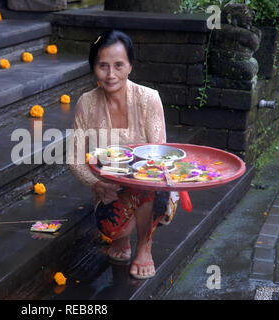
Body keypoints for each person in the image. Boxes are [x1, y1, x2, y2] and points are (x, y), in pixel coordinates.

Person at [68, 30, 175, 280]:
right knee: (110, 227)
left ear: (130, 66)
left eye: (118, 65)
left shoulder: (149, 99)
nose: (111, 74)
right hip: (110, 186)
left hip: (151, 182)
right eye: (102, 66)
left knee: (149, 190)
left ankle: (144, 247)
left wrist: (140, 179)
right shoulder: (87, 103)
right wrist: (96, 184)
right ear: (93, 67)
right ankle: (122, 239)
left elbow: (159, 156)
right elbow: (73, 158)